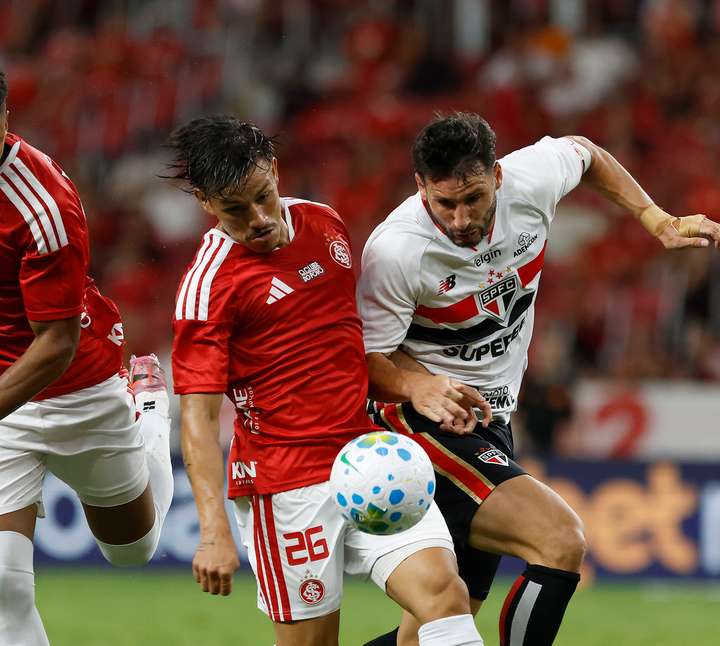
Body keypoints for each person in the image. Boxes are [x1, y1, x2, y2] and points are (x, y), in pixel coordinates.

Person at [358, 112, 720, 646]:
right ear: (420, 186)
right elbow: (366, 360)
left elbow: (586, 152)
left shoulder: (532, 177)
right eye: (444, 203)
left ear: (497, 176)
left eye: (473, 197)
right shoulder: (396, 251)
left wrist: (656, 219)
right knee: (560, 541)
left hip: (491, 417)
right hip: (424, 422)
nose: (462, 217)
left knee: (433, 631)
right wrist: (422, 387)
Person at [167, 115, 483, 646]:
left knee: (444, 598)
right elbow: (197, 419)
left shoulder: (324, 223)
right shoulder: (208, 286)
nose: (258, 219)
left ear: (274, 170)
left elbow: (348, 349)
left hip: (371, 458)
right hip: (285, 483)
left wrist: (417, 384)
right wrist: (214, 529)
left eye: (263, 196)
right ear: (205, 202)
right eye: (235, 211)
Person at [0, 71, 174, 646]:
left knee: (132, 551)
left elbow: (55, 344)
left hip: (76, 383)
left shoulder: (41, 203)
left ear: (4, 122)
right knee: (4, 584)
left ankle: (148, 407)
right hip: (5, 403)